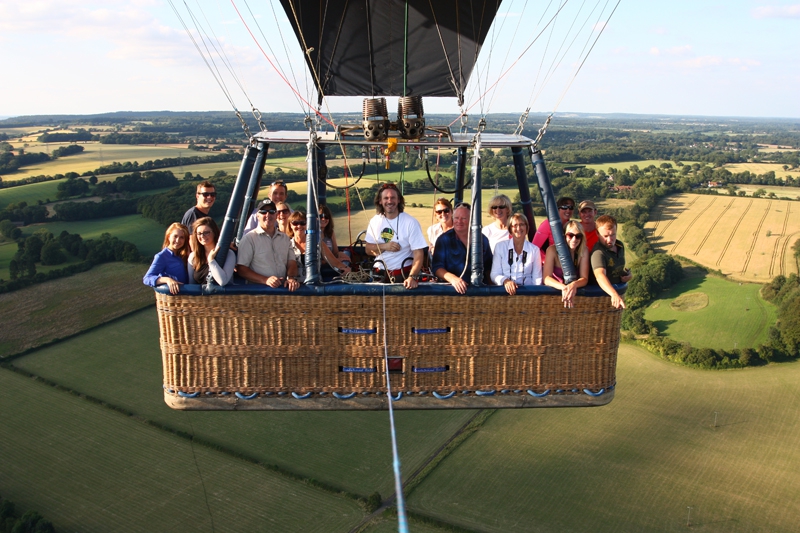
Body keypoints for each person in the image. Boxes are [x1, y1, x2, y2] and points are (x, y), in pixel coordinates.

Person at [365, 183, 427, 289]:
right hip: (379, 275)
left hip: (403, 276)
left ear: (399, 200)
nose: (389, 201)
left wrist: (412, 277)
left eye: (393, 197)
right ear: (380, 201)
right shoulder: (375, 221)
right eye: (386, 198)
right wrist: (385, 246)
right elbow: (368, 249)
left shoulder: (410, 222)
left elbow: (418, 253)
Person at [236, 199, 300, 291]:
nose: (268, 215)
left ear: (276, 215)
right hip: (259, 292)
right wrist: (265, 280)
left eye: (271, 212)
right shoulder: (249, 239)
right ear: (257, 215)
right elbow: (241, 269)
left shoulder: (285, 238)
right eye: (263, 212)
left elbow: (291, 262)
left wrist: (291, 278)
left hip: (283, 291)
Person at [432, 203, 492, 294]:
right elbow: (437, 268)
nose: (459, 221)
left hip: (478, 292)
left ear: (472, 220)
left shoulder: (482, 240)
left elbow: (489, 267)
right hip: (452, 291)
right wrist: (454, 279)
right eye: (456, 218)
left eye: (463, 218)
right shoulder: (443, 240)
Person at [287, 210, 351, 278]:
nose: (299, 226)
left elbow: (334, 262)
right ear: (290, 225)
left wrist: (347, 269)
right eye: (295, 223)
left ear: (308, 225)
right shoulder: (287, 245)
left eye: (303, 223)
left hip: (314, 284)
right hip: (293, 285)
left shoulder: (318, 243)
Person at [491, 213, 542, 295]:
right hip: (504, 293)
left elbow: (537, 279)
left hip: (528, 294)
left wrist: (532, 295)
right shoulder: (500, 247)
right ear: (510, 229)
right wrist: (505, 281)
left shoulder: (534, 250)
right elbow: (494, 274)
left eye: (522, 224)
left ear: (527, 228)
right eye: (515, 225)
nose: (518, 228)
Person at [543, 220, 589, 308]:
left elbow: (584, 278)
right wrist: (564, 288)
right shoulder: (552, 250)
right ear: (564, 236)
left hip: (573, 294)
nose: (574, 239)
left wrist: (574, 285)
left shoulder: (583, 251)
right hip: (555, 291)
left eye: (578, 236)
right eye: (570, 235)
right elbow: (546, 278)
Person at [591, 215, 632, 309]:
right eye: (605, 236)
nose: (609, 240)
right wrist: (614, 294)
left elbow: (616, 268)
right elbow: (600, 275)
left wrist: (627, 275)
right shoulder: (598, 253)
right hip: (602, 298)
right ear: (597, 233)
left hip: (617, 295)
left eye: (612, 235)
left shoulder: (620, 246)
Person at [143, 223, 190, 294]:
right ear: (168, 237)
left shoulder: (183, 255)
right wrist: (167, 280)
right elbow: (147, 278)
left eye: (182, 237)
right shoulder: (162, 256)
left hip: (188, 298)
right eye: (175, 236)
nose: (178, 240)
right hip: (175, 300)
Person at [188, 217, 236, 286]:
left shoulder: (228, 254)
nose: (202, 236)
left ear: (214, 233)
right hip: (200, 296)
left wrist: (211, 261)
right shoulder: (193, 256)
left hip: (223, 296)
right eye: (199, 233)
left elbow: (223, 281)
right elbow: (191, 284)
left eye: (206, 232)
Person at [532, 196, 575, 262]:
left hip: (564, 262)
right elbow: (534, 247)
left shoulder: (570, 225)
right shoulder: (547, 224)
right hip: (549, 263)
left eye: (570, 207)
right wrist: (547, 261)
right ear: (557, 209)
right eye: (564, 207)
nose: (568, 210)